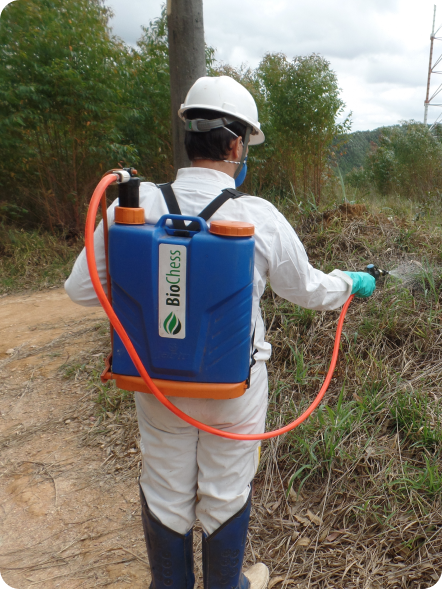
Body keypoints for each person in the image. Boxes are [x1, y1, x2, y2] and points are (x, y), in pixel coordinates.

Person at [65, 75, 375, 589]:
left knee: (165, 490)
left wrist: (155, 289)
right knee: (226, 491)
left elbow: (81, 289)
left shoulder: (132, 207)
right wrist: (350, 282)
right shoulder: (256, 216)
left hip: (157, 383)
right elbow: (307, 290)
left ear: (188, 136)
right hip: (234, 386)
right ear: (235, 146)